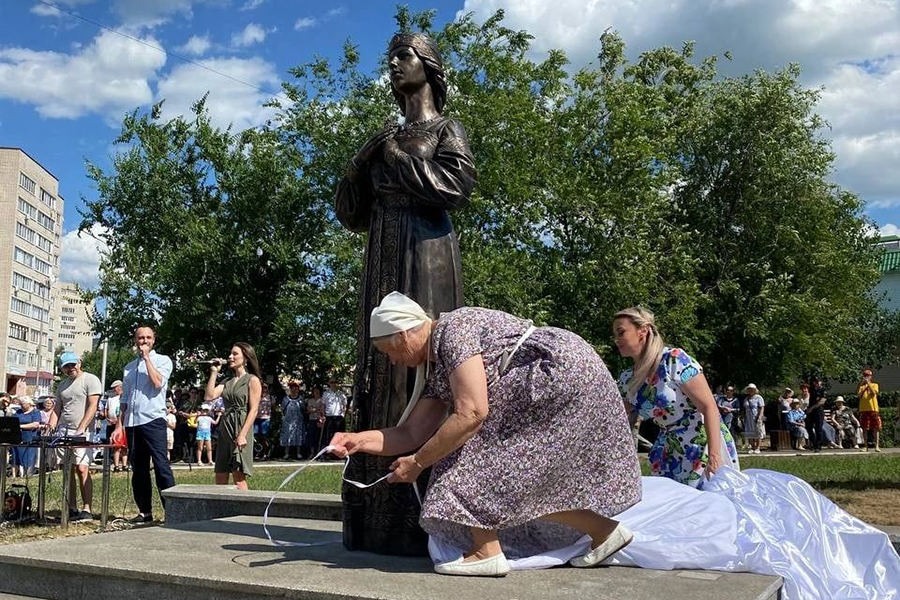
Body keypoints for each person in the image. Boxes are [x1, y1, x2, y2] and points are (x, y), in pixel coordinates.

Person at [331, 292, 642, 577]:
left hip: (557, 376)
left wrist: (418, 462)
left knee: (462, 452)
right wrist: (358, 440)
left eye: (389, 352)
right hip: (573, 377)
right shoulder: (440, 367)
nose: (393, 361)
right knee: (520, 478)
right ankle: (605, 532)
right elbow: (411, 431)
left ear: (402, 334)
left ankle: (486, 551)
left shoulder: (453, 330)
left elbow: (472, 413)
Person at [335, 32, 477, 554]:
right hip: (382, 254)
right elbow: (351, 213)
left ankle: (425, 508)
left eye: (404, 56)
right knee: (379, 362)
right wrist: (358, 164)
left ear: (428, 65)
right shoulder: (385, 136)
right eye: (390, 57)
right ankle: (374, 514)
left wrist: (394, 156)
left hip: (426, 255)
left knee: (422, 361)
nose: (394, 65)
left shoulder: (444, 129)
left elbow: (455, 188)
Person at [614, 307, 739, 486]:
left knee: (709, 508)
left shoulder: (674, 360)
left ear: (643, 330)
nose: (616, 340)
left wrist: (715, 456)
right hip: (668, 452)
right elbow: (619, 415)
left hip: (701, 446)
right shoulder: (628, 379)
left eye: (621, 332)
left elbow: (709, 406)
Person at [112, 326, 176, 524]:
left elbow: (158, 384)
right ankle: (145, 512)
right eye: (141, 338)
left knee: (161, 465)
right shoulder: (129, 367)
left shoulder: (162, 360)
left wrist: (147, 358)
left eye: (148, 338)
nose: (144, 341)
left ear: (153, 340)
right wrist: (119, 425)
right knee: (138, 468)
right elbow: (126, 398)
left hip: (153, 419)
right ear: (135, 340)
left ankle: (172, 511)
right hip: (133, 422)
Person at [48, 352, 102, 523]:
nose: (71, 368)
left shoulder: (90, 379)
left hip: (84, 431)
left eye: (73, 364)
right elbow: (57, 409)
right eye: (66, 366)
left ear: (79, 363)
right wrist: (50, 427)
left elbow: (93, 405)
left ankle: (87, 508)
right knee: (67, 469)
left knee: (82, 467)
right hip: (64, 431)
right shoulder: (62, 385)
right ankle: (71, 508)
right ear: (62, 368)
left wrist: (81, 428)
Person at [204, 343, 261, 489]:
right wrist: (214, 372)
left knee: (238, 475)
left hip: (241, 426)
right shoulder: (226, 382)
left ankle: (244, 508)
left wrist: (242, 434)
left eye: (235, 354)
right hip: (226, 427)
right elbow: (209, 396)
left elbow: (254, 410)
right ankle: (221, 509)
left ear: (246, 358)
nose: (230, 357)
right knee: (220, 474)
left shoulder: (252, 380)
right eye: (230, 354)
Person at [11, 398, 41, 477]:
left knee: (28, 457)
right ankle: (15, 476)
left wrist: (20, 426)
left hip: (30, 437)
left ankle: (27, 475)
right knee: (15, 456)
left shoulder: (35, 412)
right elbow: (13, 421)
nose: (21, 406)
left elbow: (35, 425)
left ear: (29, 404)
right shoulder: (18, 412)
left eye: (23, 404)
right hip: (18, 437)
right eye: (20, 404)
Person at [856, 368, 881, 452]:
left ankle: (877, 446)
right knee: (864, 428)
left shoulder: (875, 384)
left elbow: (874, 392)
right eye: (865, 375)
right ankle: (865, 446)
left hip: (873, 409)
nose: (866, 377)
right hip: (863, 409)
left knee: (876, 428)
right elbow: (858, 396)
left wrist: (868, 384)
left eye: (868, 375)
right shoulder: (861, 386)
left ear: (871, 376)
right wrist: (861, 384)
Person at [280, 382, 305, 460]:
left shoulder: (301, 399)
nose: (294, 390)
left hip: (298, 421)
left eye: (296, 388)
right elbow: (282, 410)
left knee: (299, 436)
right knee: (287, 436)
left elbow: (303, 409)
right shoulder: (286, 399)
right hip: (288, 421)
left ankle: (298, 453)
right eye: (292, 388)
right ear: (290, 389)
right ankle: (286, 453)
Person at [322, 379, 347, 457]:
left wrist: (343, 414)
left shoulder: (341, 394)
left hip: (339, 417)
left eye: (335, 382)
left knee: (339, 436)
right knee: (329, 436)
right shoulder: (326, 394)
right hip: (329, 416)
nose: (333, 384)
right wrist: (323, 415)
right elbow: (323, 405)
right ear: (329, 384)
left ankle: (339, 454)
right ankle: (329, 454)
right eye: (332, 382)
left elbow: (344, 405)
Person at [742, 384, 765, 454]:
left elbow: (761, 408)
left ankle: (758, 448)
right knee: (750, 433)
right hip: (748, 418)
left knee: (758, 432)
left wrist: (760, 417)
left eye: (752, 389)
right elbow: (744, 408)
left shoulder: (759, 398)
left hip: (756, 417)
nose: (751, 390)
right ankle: (752, 447)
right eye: (749, 389)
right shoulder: (746, 399)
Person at [806, 378, 827, 453]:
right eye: (815, 381)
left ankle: (818, 446)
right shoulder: (812, 389)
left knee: (818, 429)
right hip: (811, 412)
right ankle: (814, 444)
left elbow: (822, 401)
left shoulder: (822, 390)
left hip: (818, 411)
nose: (817, 383)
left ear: (820, 382)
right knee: (808, 427)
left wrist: (812, 408)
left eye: (818, 381)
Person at [253, 383, 273, 460]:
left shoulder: (270, 397)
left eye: (265, 388)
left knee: (264, 436)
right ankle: (258, 451)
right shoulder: (256, 395)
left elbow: (273, 407)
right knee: (256, 436)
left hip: (266, 418)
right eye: (262, 388)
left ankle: (266, 452)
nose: (264, 389)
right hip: (257, 417)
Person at [304, 385, 324, 458]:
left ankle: (320, 453)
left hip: (320, 420)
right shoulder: (310, 400)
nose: (316, 393)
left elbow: (322, 409)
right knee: (311, 436)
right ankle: (312, 453)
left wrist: (314, 409)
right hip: (312, 420)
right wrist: (316, 409)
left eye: (317, 391)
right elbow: (309, 410)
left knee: (319, 437)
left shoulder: (322, 400)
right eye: (315, 391)